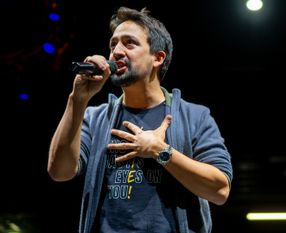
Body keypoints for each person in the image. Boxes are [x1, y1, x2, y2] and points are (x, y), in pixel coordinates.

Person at [47, 6, 233, 233]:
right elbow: (60, 171)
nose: (116, 51)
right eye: (113, 44)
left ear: (157, 57)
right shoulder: (94, 118)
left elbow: (220, 190)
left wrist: (161, 151)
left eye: (129, 43)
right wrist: (77, 100)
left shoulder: (194, 116)